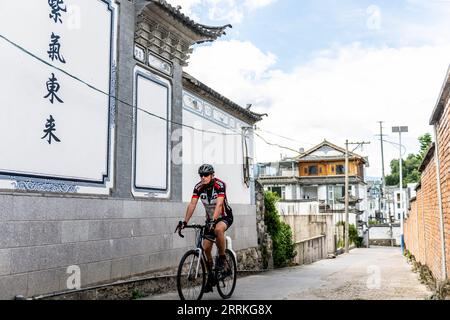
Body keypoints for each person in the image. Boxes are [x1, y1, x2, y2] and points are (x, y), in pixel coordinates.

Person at [180, 164, 233, 292]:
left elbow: (219, 204)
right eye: (201, 175)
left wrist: (214, 220)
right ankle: (211, 276)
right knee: (205, 248)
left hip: (224, 217)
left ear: (212, 175)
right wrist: (185, 221)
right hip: (210, 220)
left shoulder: (220, 185)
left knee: (218, 229)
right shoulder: (198, 188)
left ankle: (222, 258)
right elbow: (192, 204)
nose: (203, 177)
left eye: (206, 175)